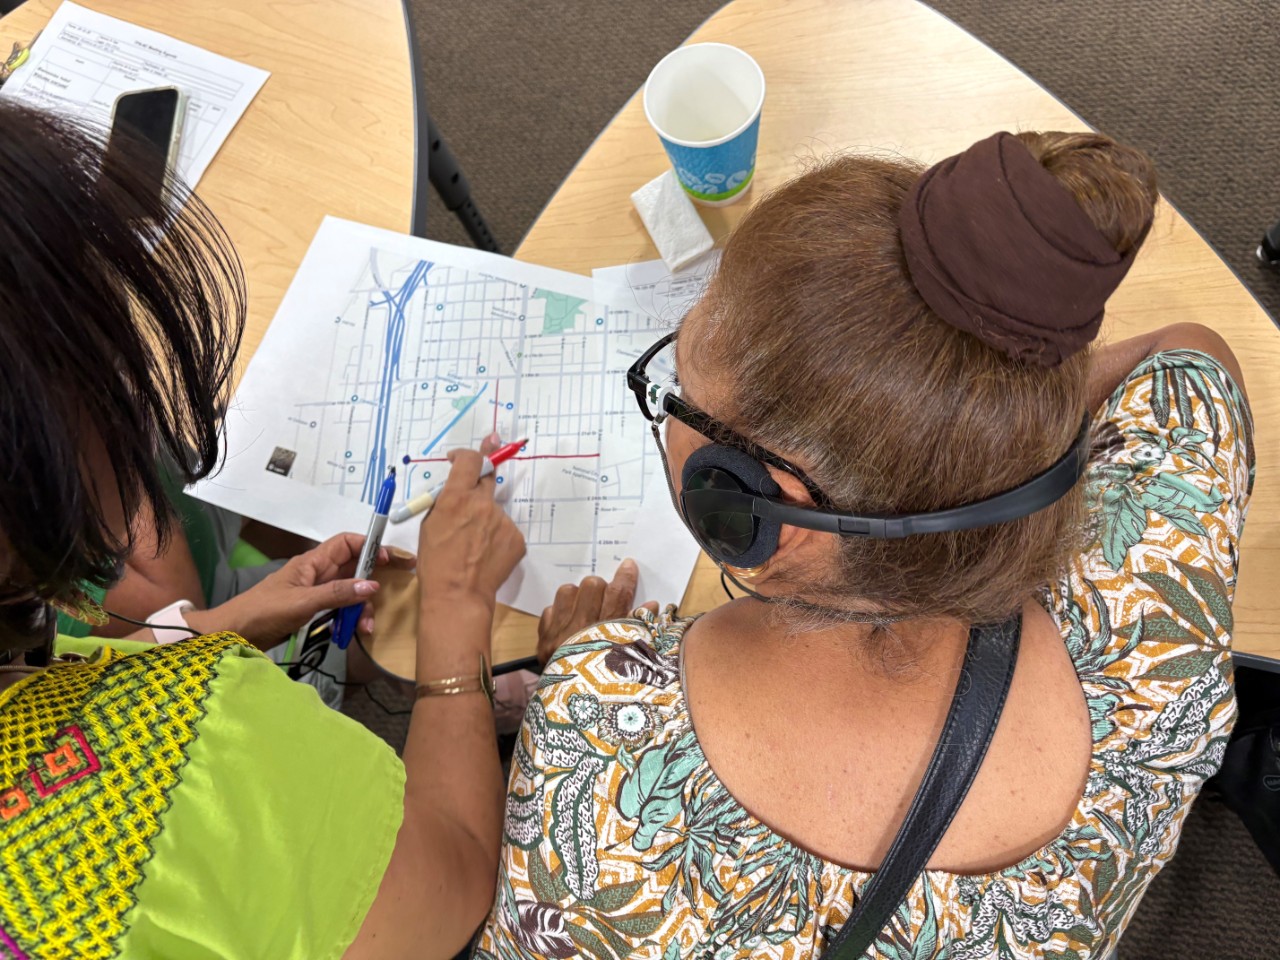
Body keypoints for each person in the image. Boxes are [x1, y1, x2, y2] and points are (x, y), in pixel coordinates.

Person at [478, 131, 1254, 958]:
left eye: (681, 394)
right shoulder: (1155, 612)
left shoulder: (600, 727)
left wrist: (576, 661)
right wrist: (977, 438)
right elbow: (1188, 356)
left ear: (748, 508)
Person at [0, 101, 523, 958]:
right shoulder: (182, 762)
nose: (128, 404)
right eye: (100, 385)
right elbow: (459, 879)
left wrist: (207, 632)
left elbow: (63, 670)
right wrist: (456, 615)